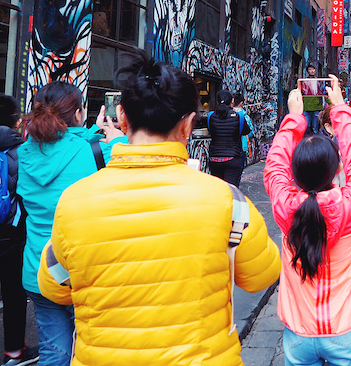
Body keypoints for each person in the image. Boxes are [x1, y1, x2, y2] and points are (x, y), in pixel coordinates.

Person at [37, 52, 281, 366]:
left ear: (122, 118)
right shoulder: (227, 201)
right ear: (189, 125)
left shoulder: (73, 202)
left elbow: (53, 285)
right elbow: (264, 274)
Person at [17, 81, 125, 366]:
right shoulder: (91, 152)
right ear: (78, 113)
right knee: (91, 351)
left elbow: (64, 146)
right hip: (81, 270)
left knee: (54, 352)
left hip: (38, 269)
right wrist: (114, 135)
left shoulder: (23, 153)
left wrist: (92, 131)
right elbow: (130, 156)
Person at [264, 75, 351, 366]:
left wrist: (294, 119)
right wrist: (341, 108)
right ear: (337, 170)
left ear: (293, 173)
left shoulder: (286, 209)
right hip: (345, 330)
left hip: (299, 333)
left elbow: (274, 166)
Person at [0, 94, 37, 366]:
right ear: (15, 122)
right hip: (12, 234)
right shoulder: (21, 151)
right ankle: (14, 352)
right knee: (14, 293)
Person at [208, 90, 251, 187]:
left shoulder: (211, 116)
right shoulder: (238, 116)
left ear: (217, 102)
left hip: (214, 159)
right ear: (232, 101)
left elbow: (211, 131)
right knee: (231, 191)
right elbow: (246, 131)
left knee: (218, 190)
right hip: (232, 158)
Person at [233, 92, 255, 171]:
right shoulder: (243, 115)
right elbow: (250, 131)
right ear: (241, 103)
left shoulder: (228, 113)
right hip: (241, 146)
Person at [302, 64, 324, 134]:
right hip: (306, 107)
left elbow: (322, 93)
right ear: (307, 71)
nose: (312, 71)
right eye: (310, 69)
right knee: (307, 126)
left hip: (316, 107)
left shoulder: (319, 81)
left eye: (313, 69)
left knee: (315, 127)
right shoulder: (304, 81)